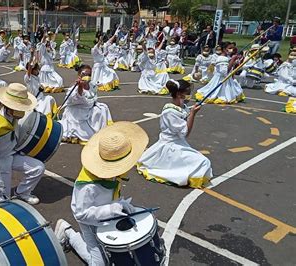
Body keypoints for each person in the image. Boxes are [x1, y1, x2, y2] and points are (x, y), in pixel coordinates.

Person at [54, 121, 149, 266]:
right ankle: (68, 232)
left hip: (106, 214)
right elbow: (81, 213)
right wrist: (111, 210)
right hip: (89, 221)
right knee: (99, 264)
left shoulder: (109, 175)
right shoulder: (88, 186)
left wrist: (120, 204)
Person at [138, 79, 213, 188]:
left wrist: (190, 113)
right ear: (179, 94)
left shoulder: (182, 107)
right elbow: (185, 133)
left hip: (179, 143)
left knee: (203, 162)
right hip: (170, 146)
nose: (189, 96)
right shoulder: (170, 112)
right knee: (203, 162)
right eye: (187, 93)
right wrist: (193, 114)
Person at [0, 83, 45, 205]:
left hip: (11, 155)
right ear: (8, 105)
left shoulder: (12, 116)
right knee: (2, 202)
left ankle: (22, 193)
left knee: (38, 168)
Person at [59, 65, 113, 144]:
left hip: (88, 111)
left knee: (102, 108)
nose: (87, 77)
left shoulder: (92, 85)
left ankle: (101, 130)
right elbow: (77, 98)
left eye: (89, 75)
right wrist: (80, 87)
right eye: (85, 75)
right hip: (77, 114)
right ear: (79, 75)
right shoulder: (73, 89)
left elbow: (93, 98)